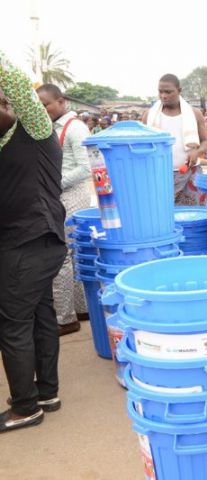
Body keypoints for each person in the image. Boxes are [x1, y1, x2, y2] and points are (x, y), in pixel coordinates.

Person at [0, 53, 67, 433]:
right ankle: (46, 393)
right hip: (29, 242)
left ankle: (25, 406)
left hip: (30, 241)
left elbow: (11, 79)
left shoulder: (36, 130)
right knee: (40, 316)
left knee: (13, 324)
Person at [36, 84, 92, 336]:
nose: (42, 109)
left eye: (46, 104)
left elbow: (85, 167)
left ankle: (65, 318)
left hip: (72, 195)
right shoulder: (52, 127)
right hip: (60, 196)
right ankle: (81, 310)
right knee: (73, 254)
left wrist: (53, 184)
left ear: (61, 101)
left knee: (61, 256)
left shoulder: (76, 128)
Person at [142, 73, 207, 205]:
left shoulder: (194, 113)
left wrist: (197, 152)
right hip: (159, 176)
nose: (163, 96)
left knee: (192, 216)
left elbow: (205, 142)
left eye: (168, 92)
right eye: (160, 92)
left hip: (190, 174)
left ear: (179, 90)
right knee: (162, 215)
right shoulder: (149, 116)